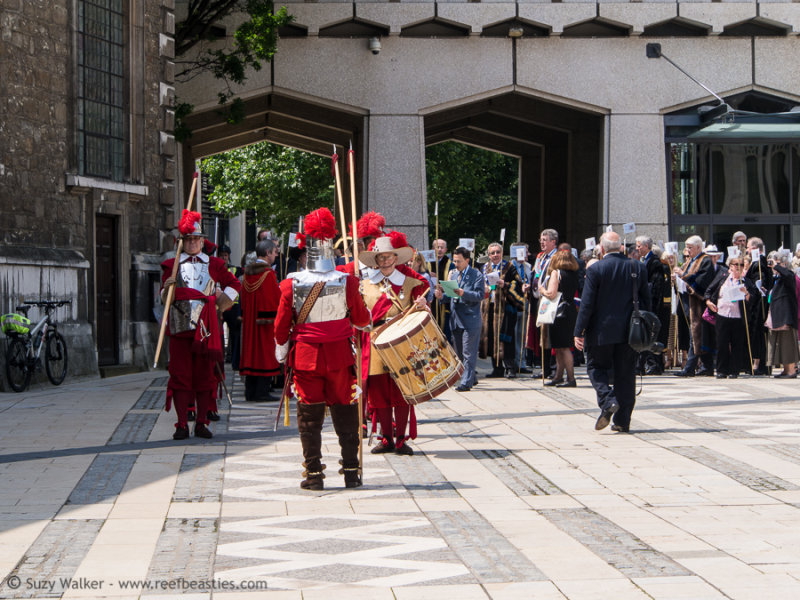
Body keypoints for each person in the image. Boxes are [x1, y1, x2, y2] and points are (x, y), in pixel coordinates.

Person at [273, 208, 371, 490]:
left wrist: (281, 350)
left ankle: (314, 475)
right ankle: (351, 472)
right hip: (340, 357)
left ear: (307, 250)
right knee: (346, 413)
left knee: (309, 417)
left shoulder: (290, 284)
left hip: (306, 359)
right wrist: (359, 296)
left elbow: (281, 328)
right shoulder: (347, 281)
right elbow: (362, 320)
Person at [160, 210, 241, 440]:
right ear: (182, 241)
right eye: (188, 239)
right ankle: (182, 424)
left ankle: (203, 422)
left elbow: (234, 284)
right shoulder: (171, 265)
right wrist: (168, 288)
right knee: (180, 376)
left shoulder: (214, 264)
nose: (193, 243)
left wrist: (219, 304)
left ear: (202, 240)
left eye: (196, 239)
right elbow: (164, 299)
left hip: (207, 328)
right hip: (180, 328)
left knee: (205, 376)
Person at [359, 232, 429, 455]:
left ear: (396, 258)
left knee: (401, 392)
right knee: (379, 394)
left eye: (389, 257)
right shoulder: (366, 285)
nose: (386, 262)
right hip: (376, 342)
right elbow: (360, 317)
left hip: (401, 343)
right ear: (376, 261)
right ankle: (386, 437)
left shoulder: (410, 283)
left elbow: (423, 308)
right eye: (381, 258)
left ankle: (401, 438)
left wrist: (422, 304)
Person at [574, 232, 650, 433]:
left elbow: (587, 304)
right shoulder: (638, 267)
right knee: (626, 375)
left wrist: (578, 330)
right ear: (622, 248)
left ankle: (608, 400)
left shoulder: (596, 269)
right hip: (630, 331)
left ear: (602, 248)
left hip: (601, 331)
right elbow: (647, 302)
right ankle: (623, 420)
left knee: (595, 368)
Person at [434, 247, 484, 392]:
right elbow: (451, 296)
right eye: (455, 261)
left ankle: (466, 382)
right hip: (456, 319)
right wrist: (441, 297)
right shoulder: (454, 275)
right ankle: (471, 377)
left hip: (470, 319)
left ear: (467, 260)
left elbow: (480, 295)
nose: (456, 264)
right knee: (460, 353)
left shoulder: (476, 275)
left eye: (459, 261)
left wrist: (464, 293)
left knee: (469, 352)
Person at [239, 239, 282, 402]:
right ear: (267, 253)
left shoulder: (247, 274)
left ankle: (250, 390)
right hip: (264, 323)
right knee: (264, 354)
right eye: (274, 252)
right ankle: (261, 392)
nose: (275, 256)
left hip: (250, 322)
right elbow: (274, 300)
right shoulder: (268, 275)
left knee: (251, 353)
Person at [704, 255, 756, 378]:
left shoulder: (746, 281)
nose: (737, 269)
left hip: (737, 316)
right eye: (735, 266)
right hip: (722, 314)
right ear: (731, 267)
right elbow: (709, 290)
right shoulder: (723, 278)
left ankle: (734, 370)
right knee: (722, 342)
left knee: (737, 344)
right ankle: (722, 370)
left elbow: (753, 299)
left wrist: (746, 293)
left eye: (740, 266)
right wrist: (708, 302)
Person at [672, 236, 715, 377]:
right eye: (687, 247)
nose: (688, 250)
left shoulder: (706, 261)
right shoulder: (690, 261)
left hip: (699, 304)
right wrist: (676, 279)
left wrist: (683, 276)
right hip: (688, 303)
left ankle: (689, 368)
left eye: (690, 247)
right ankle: (707, 366)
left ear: (698, 247)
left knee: (696, 335)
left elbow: (702, 282)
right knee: (699, 336)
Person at [481, 242, 524, 378]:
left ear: (501, 253)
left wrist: (504, 284)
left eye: (497, 252)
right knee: (492, 338)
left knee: (506, 338)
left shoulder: (510, 267)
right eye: (492, 253)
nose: (495, 255)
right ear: (488, 255)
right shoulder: (485, 267)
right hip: (490, 308)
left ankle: (511, 368)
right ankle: (497, 368)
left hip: (505, 308)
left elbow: (518, 284)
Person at [540, 249, 579, 387]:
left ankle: (570, 377)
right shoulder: (574, 273)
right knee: (561, 346)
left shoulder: (556, 273)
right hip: (570, 310)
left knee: (562, 347)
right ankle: (558, 375)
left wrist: (541, 290)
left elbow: (551, 293)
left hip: (559, 311)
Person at [527, 229, 559, 378]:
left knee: (551, 336)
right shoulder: (541, 258)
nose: (542, 242)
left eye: (545, 240)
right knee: (542, 335)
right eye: (541, 240)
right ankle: (545, 367)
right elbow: (536, 275)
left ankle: (553, 368)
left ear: (553, 242)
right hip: (539, 299)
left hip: (552, 300)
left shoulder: (557, 258)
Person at [766, 250, 799, 378]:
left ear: (784, 263)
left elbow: (789, 276)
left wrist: (777, 266)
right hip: (778, 316)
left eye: (778, 263)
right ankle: (786, 369)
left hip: (787, 317)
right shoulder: (778, 278)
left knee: (788, 343)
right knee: (781, 344)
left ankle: (791, 370)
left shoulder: (789, 275)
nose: (774, 266)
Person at [636, 236, 666, 375]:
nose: (637, 248)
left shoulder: (654, 262)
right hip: (644, 302)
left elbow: (655, 285)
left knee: (652, 336)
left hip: (652, 304)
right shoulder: (643, 260)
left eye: (639, 246)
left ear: (646, 246)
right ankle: (645, 364)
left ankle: (655, 364)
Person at [744, 237, 772, 375]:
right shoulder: (760, 262)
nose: (747, 250)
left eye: (748, 247)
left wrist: (751, 292)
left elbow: (759, 283)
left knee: (758, 334)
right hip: (759, 304)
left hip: (758, 305)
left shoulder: (759, 263)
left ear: (754, 248)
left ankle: (760, 365)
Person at [428, 238, 453, 339]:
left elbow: (453, 286)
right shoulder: (426, 263)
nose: (439, 250)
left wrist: (444, 287)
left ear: (446, 249)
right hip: (430, 301)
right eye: (437, 247)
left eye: (442, 247)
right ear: (433, 249)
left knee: (445, 332)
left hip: (444, 303)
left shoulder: (451, 264)